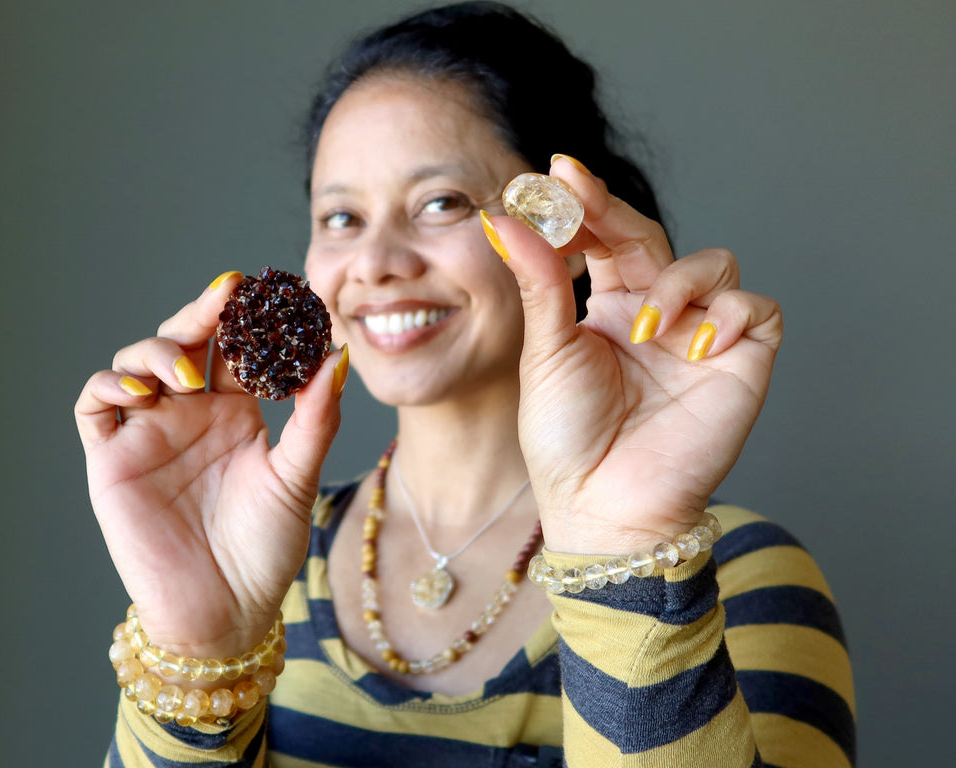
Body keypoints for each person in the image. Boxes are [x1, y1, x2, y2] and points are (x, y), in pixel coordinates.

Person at [76, 3, 855, 766]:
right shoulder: (254, 556)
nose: (377, 260)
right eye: (341, 217)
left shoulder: (737, 577)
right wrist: (201, 645)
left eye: (440, 202)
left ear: (565, 227)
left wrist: (630, 547)